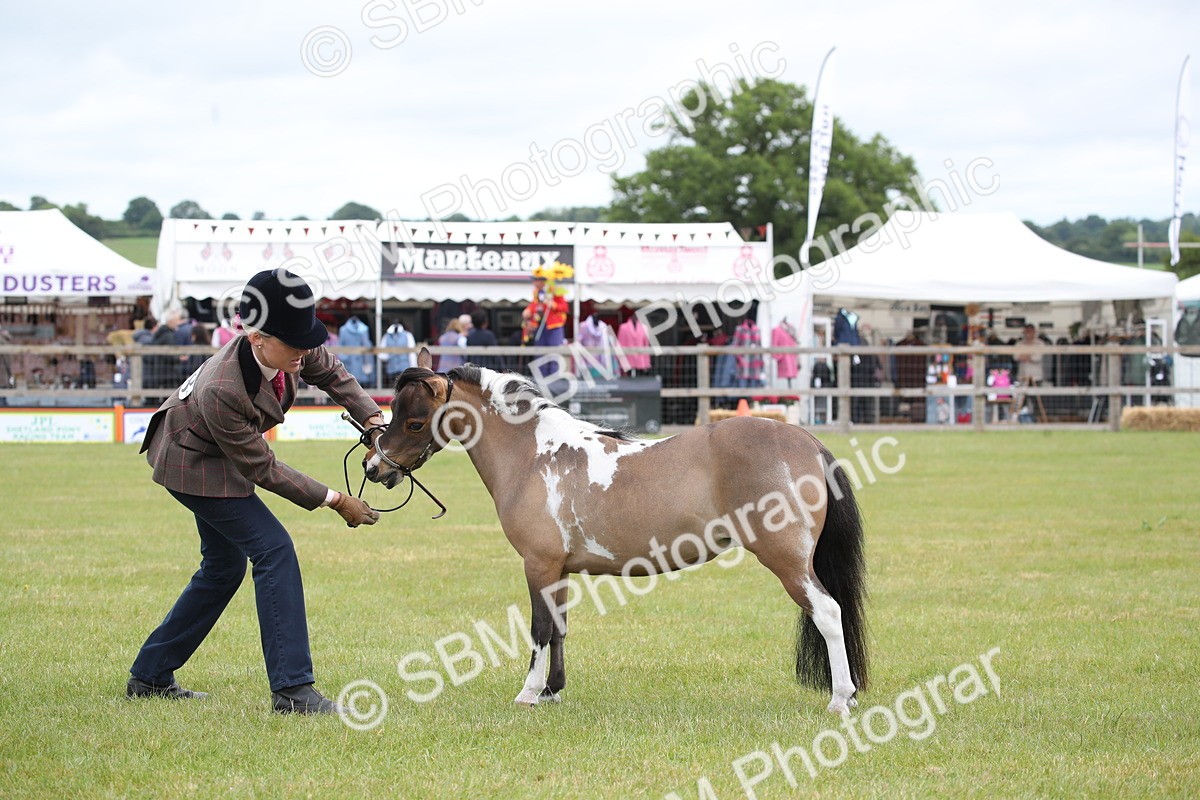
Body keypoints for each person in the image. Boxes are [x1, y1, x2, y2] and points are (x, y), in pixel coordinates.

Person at [127, 268, 384, 715]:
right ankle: (292, 691)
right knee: (274, 549)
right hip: (193, 463)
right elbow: (261, 467)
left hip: (222, 451)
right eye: (294, 343)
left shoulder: (295, 347)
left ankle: (149, 676)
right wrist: (337, 500)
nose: (305, 351)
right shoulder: (223, 388)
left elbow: (335, 375)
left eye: (308, 340)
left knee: (223, 567)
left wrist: (374, 420)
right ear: (257, 337)